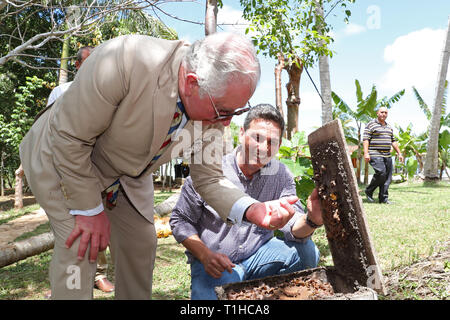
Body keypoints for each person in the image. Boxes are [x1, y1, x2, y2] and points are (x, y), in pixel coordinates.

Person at [19, 32, 299, 300]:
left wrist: (253, 209)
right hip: (63, 155)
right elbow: (69, 137)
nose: (226, 122)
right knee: (81, 246)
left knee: (140, 244)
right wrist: (89, 210)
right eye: (223, 111)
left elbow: (210, 179)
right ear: (191, 83)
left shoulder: (212, 111)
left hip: (126, 173)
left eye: (235, 112)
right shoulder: (126, 59)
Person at [170, 104, 323, 300]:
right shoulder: (210, 170)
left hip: (259, 255)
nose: (263, 148)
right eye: (257, 138)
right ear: (242, 133)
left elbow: (292, 227)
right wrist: (204, 255)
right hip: (216, 263)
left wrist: (312, 220)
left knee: (307, 251)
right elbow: (180, 219)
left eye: (272, 142)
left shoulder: (281, 174)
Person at [45, 46, 115, 295]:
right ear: (77, 66)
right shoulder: (61, 91)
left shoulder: (108, 92)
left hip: (95, 172)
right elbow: (49, 132)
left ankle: (98, 275)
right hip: (64, 174)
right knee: (67, 234)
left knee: (97, 225)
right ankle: (63, 285)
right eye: (88, 61)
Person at [363, 107, 403, 204]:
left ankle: (383, 198)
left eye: (386, 112)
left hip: (387, 155)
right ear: (377, 113)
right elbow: (365, 139)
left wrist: (399, 153)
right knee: (381, 173)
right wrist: (366, 153)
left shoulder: (389, 127)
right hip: (374, 153)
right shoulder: (371, 125)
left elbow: (393, 141)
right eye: (382, 112)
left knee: (387, 177)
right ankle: (369, 190)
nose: (384, 114)